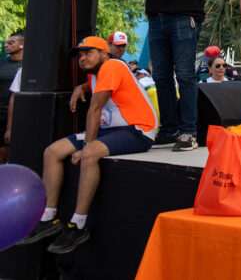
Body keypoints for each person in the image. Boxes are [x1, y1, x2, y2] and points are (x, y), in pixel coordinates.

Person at [18, 36, 157, 254]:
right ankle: (48, 218)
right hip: (111, 130)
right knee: (52, 152)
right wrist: (79, 88)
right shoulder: (95, 76)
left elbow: (94, 109)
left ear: (104, 54)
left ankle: (78, 225)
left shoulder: (112, 65)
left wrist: (86, 148)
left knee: (90, 152)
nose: (82, 58)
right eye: (80, 55)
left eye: (88, 53)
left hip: (138, 129)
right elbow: (91, 87)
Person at [130, 0, 215, 152]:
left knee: (185, 75)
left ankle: (189, 132)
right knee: (162, 77)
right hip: (157, 20)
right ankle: (169, 129)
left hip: (184, 18)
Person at [1, 31, 24, 163]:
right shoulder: (2, 63)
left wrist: (9, 128)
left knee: (7, 151)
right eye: (6, 42)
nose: (6, 45)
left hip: (12, 114)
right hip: (0, 112)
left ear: (22, 45)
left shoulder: (27, 66)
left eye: (11, 42)